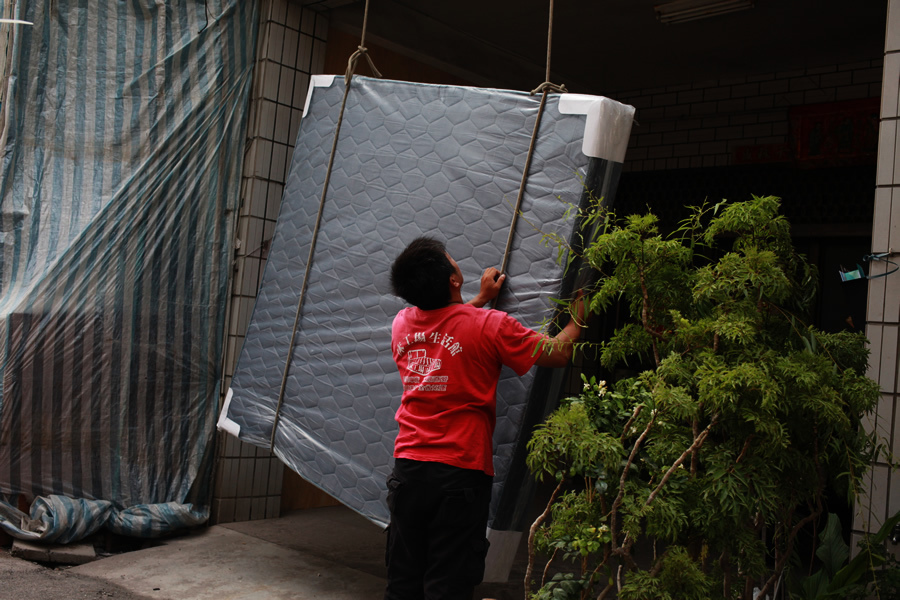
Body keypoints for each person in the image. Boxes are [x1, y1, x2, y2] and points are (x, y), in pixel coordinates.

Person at [385, 236, 584, 600]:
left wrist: (475, 300)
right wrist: (580, 317)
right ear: (454, 280)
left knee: (403, 582)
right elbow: (558, 353)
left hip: (407, 471)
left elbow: (446, 325)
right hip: (460, 474)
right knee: (449, 585)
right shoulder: (490, 326)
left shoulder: (401, 325)